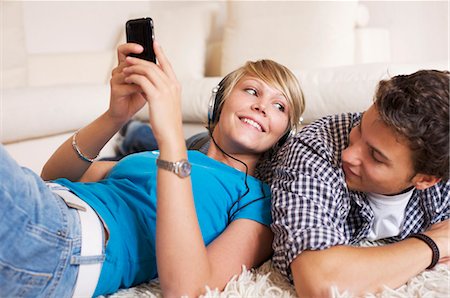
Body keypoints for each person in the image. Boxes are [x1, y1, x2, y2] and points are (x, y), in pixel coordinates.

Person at [0, 41, 305, 297]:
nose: (262, 106)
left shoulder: (257, 199)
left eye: (280, 106)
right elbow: (54, 178)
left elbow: (189, 289)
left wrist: (171, 137)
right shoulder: (158, 154)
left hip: (70, 242)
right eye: (252, 90)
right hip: (45, 205)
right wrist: (115, 116)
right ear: (220, 101)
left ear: (284, 135)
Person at [268, 69, 450, 297]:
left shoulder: (442, 162)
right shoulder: (315, 147)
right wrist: (432, 244)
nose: (349, 155)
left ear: (425, 179)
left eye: (375, 156)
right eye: (359, 129)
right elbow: (321, 282)